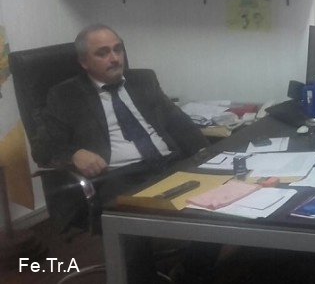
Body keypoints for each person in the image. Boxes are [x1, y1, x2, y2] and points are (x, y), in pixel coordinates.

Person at [39, 24, 213, 283]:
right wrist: (74, 154)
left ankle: (192, 273)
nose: (115, 58)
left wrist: (206, 154)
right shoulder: (64, 96)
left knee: (219, 206)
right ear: (84, 62)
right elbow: (43, 147)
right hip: (117, 176)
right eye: (103, 53)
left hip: (168, 164)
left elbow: (178, 122)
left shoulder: (143, 80)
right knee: (130, 220)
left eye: (117, 49)